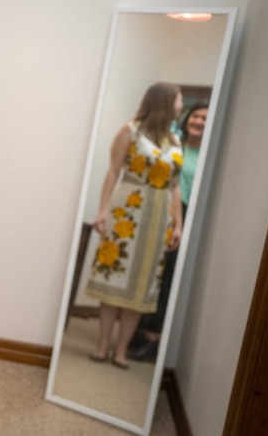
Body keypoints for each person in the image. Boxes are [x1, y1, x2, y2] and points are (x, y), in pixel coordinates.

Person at [85, 82, 185, 370]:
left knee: (141, 288)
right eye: (178, 100)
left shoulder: (176, 141)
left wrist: (178, 225)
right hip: (128, 212)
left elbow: (175, 186)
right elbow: (113, 170)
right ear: (165, 101)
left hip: (159, 219)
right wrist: (102, 209)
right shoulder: (131, 130)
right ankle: (102, 345)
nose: (181, 105)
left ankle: (121, 349)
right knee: (115, 279)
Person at [127, 102, 209, 361]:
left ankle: (153, 335)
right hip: (162, 210)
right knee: (150, 271)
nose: (198, 121)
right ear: (187, 119)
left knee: (169, 276)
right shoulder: (173, 145)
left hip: (188, 214)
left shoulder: (208, 154)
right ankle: (137, 329)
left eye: (205, 118)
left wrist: (181, 224)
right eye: (195, 116)